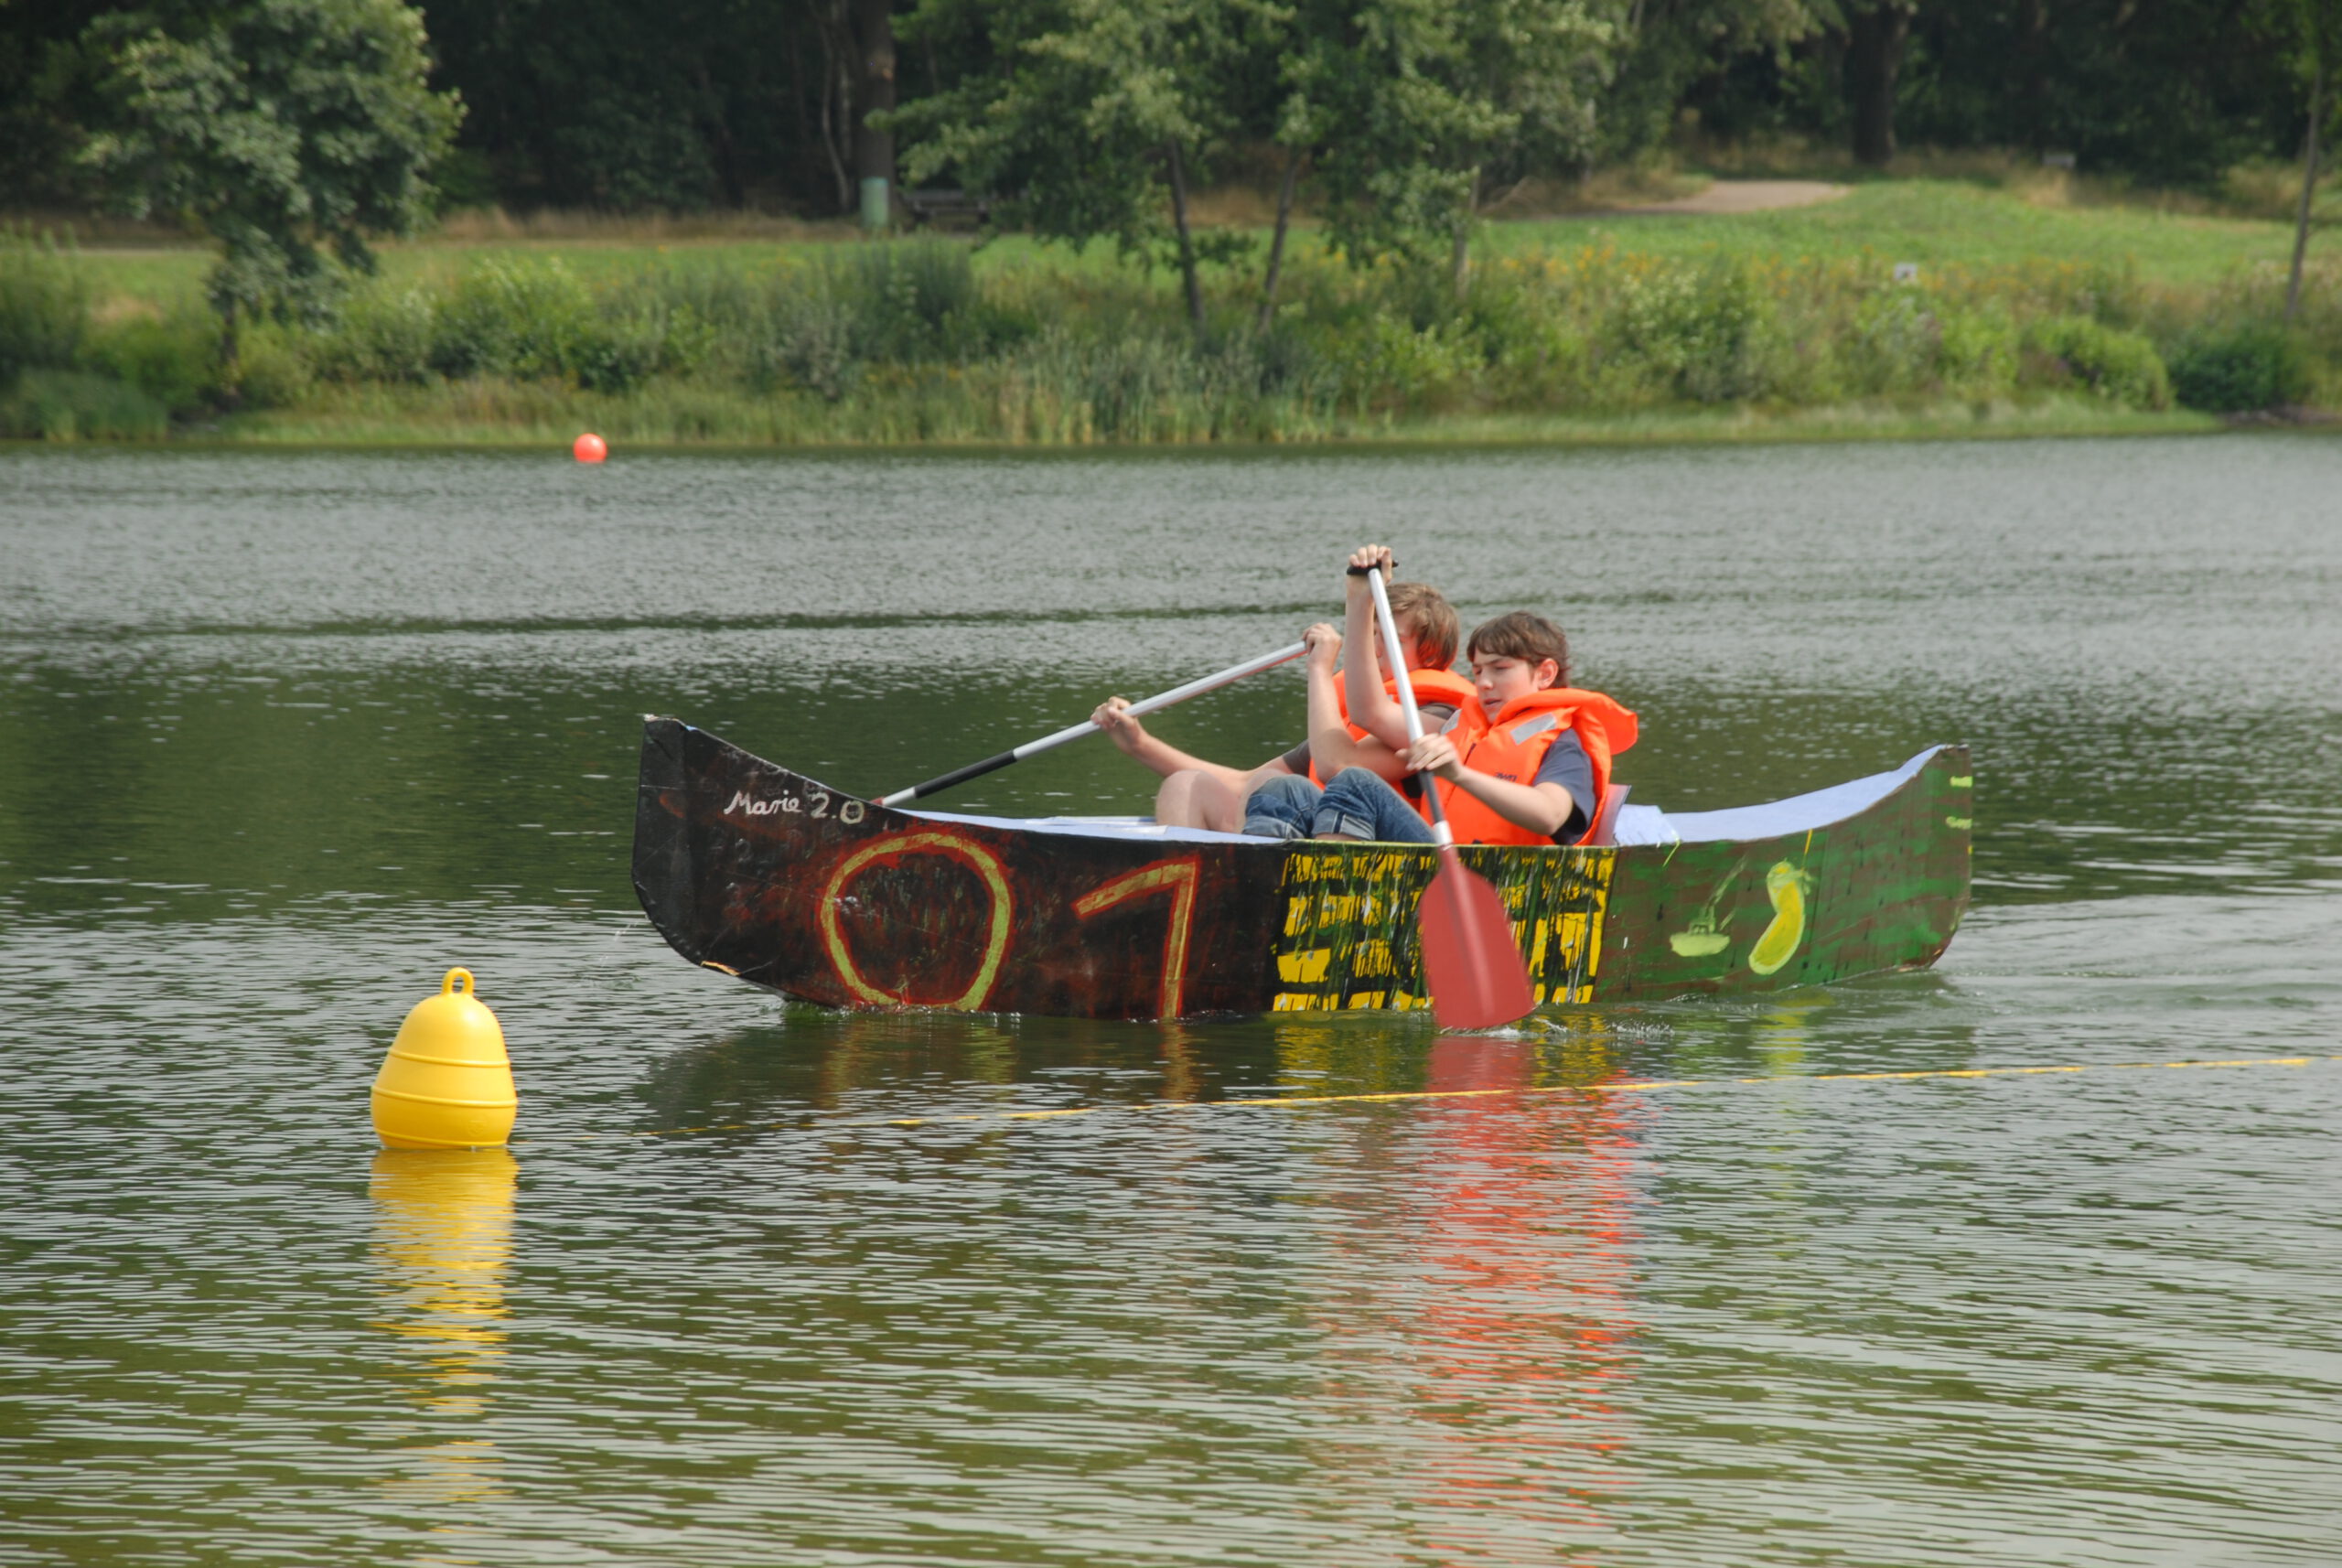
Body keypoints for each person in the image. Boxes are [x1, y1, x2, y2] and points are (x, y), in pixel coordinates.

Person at [1242, 550, 1638, 846]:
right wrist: (1360, 600)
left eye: (1500, 669)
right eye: (1478, 671)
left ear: (1545, 673)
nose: (1484, 683)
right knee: (1284, 790)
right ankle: (1259, 899)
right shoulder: (1463, 726)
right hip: (1443, 861)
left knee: (1356, 782)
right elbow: (1369, 711)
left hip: (1500, 879)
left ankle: (1328, 904)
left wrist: (1459, 774)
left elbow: (1550, 815)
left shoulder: (1564, 743)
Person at [1090, 576, 1468, 832]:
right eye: (1370, 634)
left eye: (1392, 639)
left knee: (1273, 786)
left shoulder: (1438, 715)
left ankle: (1245, 891)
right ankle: (1196, 893)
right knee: (1185, 785)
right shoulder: (1347, 720)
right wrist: (1139, 744)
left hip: (1378, 850)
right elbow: (1241, 783)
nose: (1374, 648)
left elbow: (1338, 766)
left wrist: (1318, 670)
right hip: (1309, 826)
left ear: (1431, 653)